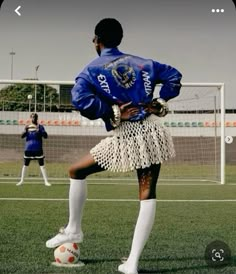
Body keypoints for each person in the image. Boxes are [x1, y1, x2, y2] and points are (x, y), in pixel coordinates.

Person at [46, 18, 182, 274]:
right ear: (119, 39)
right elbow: (174, 76)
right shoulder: (144, 63)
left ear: (96, 40)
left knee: (77, 171)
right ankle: (131, 262)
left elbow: (80, 100)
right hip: (153, 133)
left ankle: (75, 228)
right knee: (147, 194)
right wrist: (160, 100)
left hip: (128, 135)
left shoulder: (90, 70)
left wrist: (111, 112)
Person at [17, 113, 51, 187]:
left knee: (42, 165)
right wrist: (25, 131)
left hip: (38, 148)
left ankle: (46, 181)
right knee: (25, 165)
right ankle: (21, 181)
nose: (33, 118)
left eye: (35, 117)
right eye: (32, 117)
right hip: (28, 149)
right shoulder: (27, 127)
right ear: (30, 118)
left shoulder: (40, 127)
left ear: (37, 118)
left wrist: (40, 131)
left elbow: (45, 136)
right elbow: (22, 136)